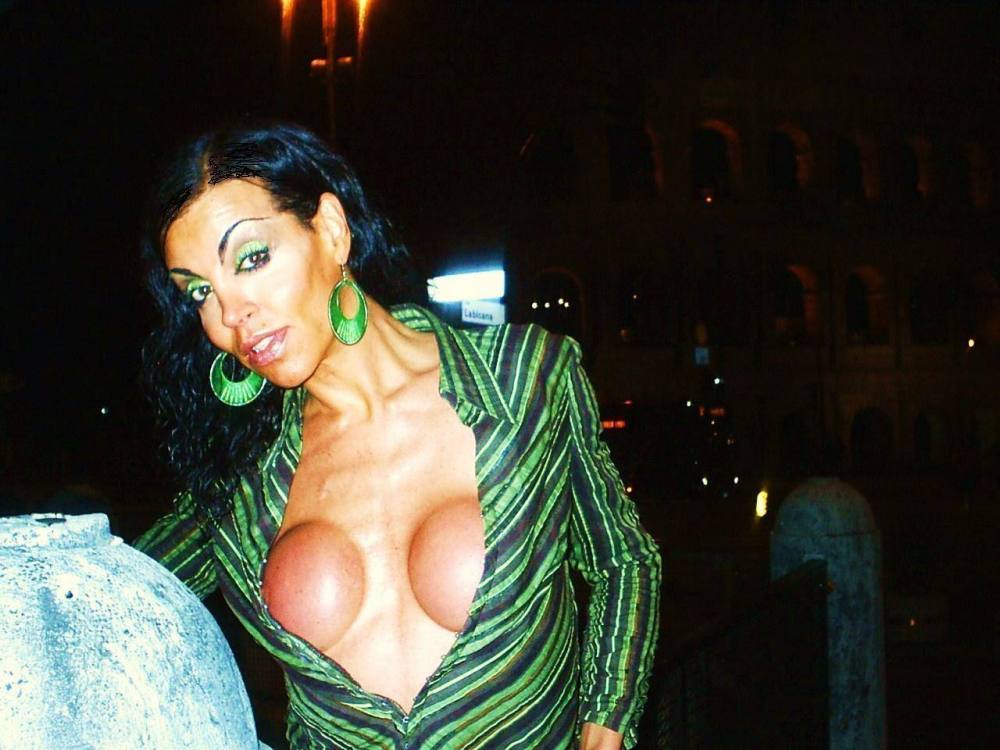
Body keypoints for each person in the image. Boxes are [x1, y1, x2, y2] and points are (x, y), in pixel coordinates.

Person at [134, 122, 660, 750]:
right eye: (199, 292)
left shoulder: (523, 380)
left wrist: (606, 721)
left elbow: (623, 559)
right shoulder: (240, 471)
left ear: (331, 230)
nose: (230, 314)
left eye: (251, 259)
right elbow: (112, 593)